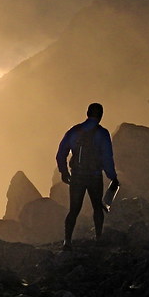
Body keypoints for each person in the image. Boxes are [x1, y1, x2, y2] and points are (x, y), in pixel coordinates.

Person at [56, 102, 119, 250]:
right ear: (101, 115)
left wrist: (64, 172)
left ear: (87, 113)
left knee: (74, 210)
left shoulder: (74, 131)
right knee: (97, 207)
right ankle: (98, 238)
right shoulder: (102, 133)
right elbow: (107, 157)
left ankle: (67, 241)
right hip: (94, 176)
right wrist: (112, 176)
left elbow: (61, 153)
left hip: (77, 176)